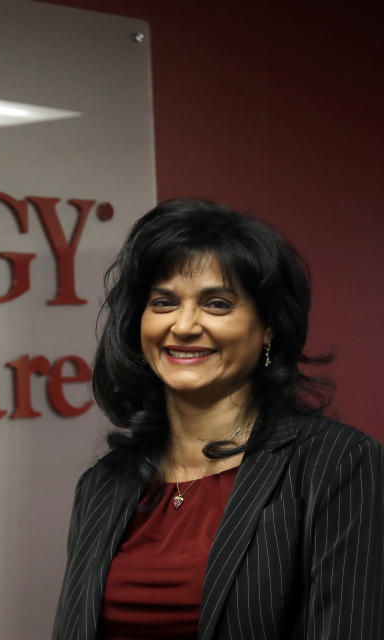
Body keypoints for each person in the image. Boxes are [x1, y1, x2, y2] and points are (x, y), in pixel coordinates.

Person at [51, 199, 383, 640]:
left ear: (268, 328)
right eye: (164, 302)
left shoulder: (339, 465)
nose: (184, 325)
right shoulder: (104, 484)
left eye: (218, 304)